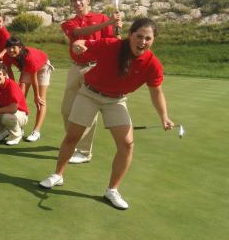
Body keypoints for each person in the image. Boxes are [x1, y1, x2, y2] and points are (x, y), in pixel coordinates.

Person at [39, 18, 174, 210]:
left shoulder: (152, 64)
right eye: (139, 36)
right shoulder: (111, 44)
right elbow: (82, 43)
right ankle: (58, 175)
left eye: (148, 38)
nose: (142, 42)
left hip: (116, 100)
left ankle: (112, 190)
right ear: (130, 35)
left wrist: (164, 117)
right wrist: (78, 46)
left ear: (153, 40)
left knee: (127, 145)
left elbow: (156, 92)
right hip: (89, 94)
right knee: (72, 137)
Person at [60, 0, 121, 163]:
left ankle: (84, 152)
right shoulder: (69, 23)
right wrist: (108, 23)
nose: (77, 3)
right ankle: (73, 141)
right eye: (74, 1)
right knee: (67, 110)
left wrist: (116, 27)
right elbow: (79, 33)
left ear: (88, 1)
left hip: (95, 68)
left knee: (87, 111)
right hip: (76, 68)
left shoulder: (101, 17)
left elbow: (113, 42)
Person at [3, 37, 53, 142]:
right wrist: (14, 86)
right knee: (19, 97)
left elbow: (34, 78)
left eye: (13, 48)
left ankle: (36, 131)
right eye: (8, 48)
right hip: (27, 68)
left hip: (43, 67)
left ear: (20, 48)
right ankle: (19, 127)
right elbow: (9, 71)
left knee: (40, 100)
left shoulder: (30, 58)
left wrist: (36, 96)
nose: (11, 50)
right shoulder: (7, 56)